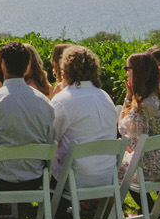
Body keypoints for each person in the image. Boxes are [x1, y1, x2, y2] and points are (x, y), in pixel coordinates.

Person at [0, 41, 56, 192]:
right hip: (34, 179)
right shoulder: (45, 103)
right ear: (27, 66)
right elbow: (48, 145)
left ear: (2, 64)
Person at [50, 46, 119, 186]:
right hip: (107, 175)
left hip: (76, 177)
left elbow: (49, 138)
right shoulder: (104, 97)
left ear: (65, 70)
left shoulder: (63, 100)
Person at [117, 52, 160, 184]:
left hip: (147, 169)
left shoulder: (143, 106)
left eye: (128, 69)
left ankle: (148, 205)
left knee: (113, 165)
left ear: (137, 72)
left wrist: (128, 97)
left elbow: (122, 128)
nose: (126, 74)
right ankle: (157, 205)